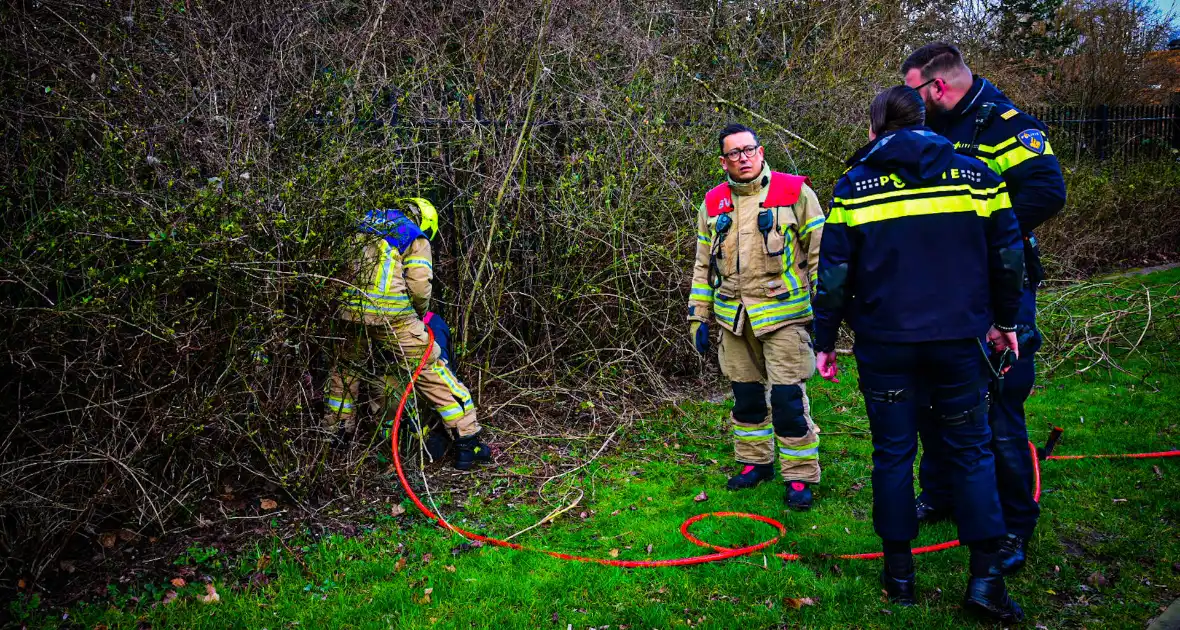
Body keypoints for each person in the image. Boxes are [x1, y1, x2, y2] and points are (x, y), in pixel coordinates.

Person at [812, 86, 1025, 622]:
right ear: (926, 120)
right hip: (958, 341)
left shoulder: (854, 187)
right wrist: (1006, 322)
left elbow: (833, 274)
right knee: (972, 451)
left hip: (885, 344)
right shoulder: (978, 175)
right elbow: (1008, 257)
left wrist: (825, 338)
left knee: (892, 453)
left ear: (875, 127)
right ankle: (985, 580)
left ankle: (899, 579)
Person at [902, 42, 1067, 574]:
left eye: (915, 93)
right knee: (933, 394)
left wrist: (981, 235)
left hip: (999, 285)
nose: (912, 103)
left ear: (938, 87)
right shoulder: (933, 125)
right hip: (942, 289)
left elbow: (1047, 191)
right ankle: (943, 492)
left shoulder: (1005, 125)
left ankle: (1014, 524)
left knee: (999, 406)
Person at [686, 123, 826, 510]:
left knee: (787, 401)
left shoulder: (794, 192)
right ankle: (755, 463)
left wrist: (829, 312)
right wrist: (698, 315)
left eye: (749, 150)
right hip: (734, 317)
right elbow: (702, 266)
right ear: (723, 161)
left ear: (761, 152)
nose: (743, 158)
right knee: (746, 398)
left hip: (783, 316)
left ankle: (799, 477)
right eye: (734, 153)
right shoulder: (712, 204)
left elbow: (820, 255)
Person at [323, 198, 492, 470]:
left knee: (345, 372)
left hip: (348, 313)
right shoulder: (413, 235)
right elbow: (420, 287)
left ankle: (336, 436)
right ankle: (468, 441)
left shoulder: (363, 223)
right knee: (431, 368)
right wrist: (418, 316)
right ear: (426, 222)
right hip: (393, 316)